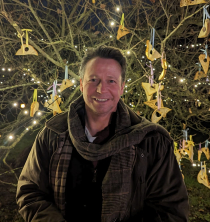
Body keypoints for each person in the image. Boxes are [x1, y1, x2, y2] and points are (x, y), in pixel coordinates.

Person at [17, 45, 189, 222]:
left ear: (122, 87)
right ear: (81, 85)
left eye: (111, 81)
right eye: (93, 80)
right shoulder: (52, 134)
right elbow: (30, 191)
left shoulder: (152, 142)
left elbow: (170, 210)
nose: (101, 89)